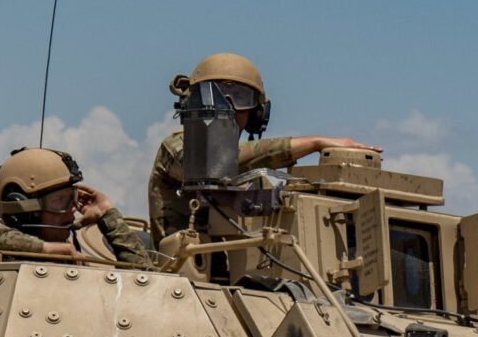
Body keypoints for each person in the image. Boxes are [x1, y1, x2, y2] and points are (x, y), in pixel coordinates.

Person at [145, 52, 371, 240]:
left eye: (240, 97)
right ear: (192, 103)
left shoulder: (255, 178)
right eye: (215, 96)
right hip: (178, 272)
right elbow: (209, 162)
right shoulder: (175, 149)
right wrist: (314, 143)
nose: (228, 106)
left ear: (256, 112)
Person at [0, 147, 165, 269]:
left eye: (73, 198)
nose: (72, 211)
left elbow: (145, 281)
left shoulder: (75, 255)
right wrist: (48, 250)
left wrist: (108, 215)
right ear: (23, 209)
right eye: (60, 201)